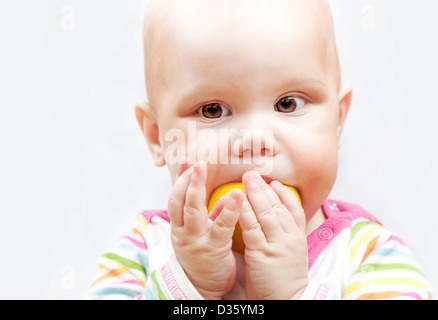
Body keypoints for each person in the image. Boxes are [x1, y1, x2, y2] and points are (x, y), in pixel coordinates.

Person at [86, 0, 433, 300]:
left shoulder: (370, 256)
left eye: (288, 103)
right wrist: (187, 285)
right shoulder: (143, 251)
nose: (254, 140)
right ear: (157, 136)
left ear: (337, 120)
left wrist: (296, 293)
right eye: (212, 110)